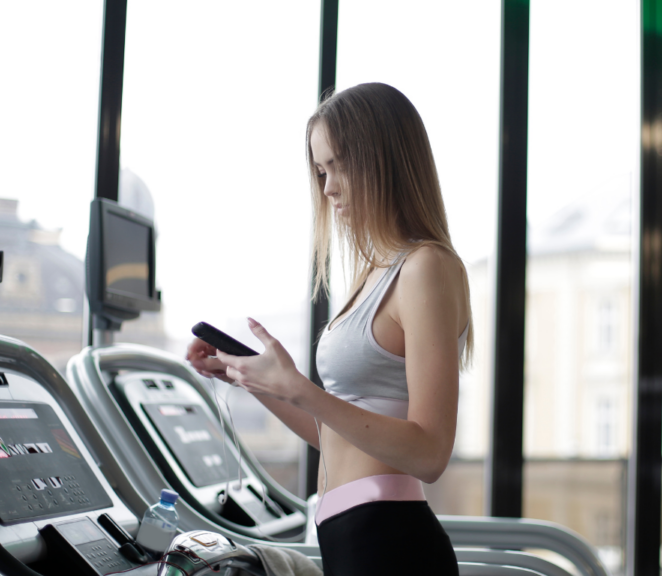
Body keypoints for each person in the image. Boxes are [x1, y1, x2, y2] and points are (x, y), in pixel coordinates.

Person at [187, 82, 471, 576]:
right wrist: (251, 378)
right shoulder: (372, 271)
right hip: (352, 537)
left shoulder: (426, 267)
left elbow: (429, 452)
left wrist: (300, 388)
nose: (328, 187)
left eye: (339, 165)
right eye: (321, 171)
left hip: (391, 544)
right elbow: (337, 435)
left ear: (384, 160)